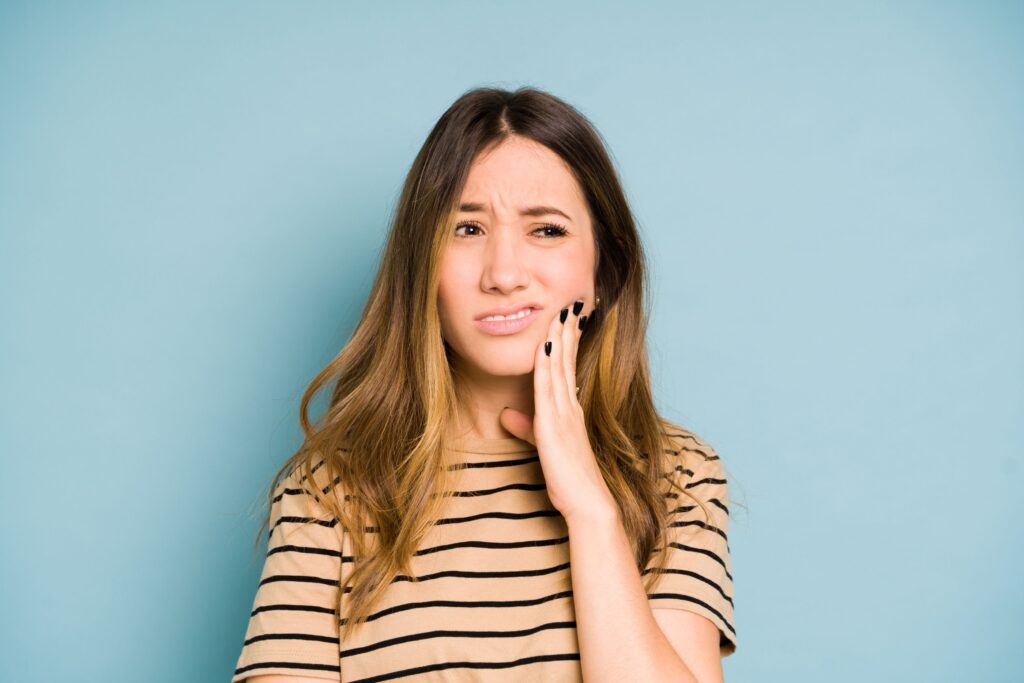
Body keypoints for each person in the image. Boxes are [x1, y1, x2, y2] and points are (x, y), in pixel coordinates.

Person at [231, 86, 737, 683]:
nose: (502, 274)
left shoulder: (675, 472)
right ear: (422, 268)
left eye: (546, 230)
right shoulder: (330, 489)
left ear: (604, 271)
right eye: (466, 229)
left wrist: (591, 510)